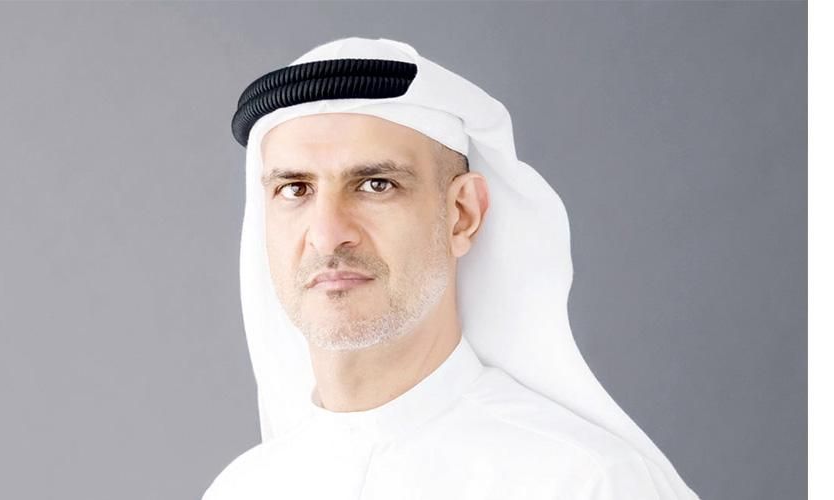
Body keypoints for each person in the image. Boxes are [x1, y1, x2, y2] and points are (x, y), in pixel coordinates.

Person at [202, 37, 699, 499]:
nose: (328, 233)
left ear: (462, 214)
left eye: (376, 185)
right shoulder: (242, 489)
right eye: (294, 189)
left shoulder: (585, 481)